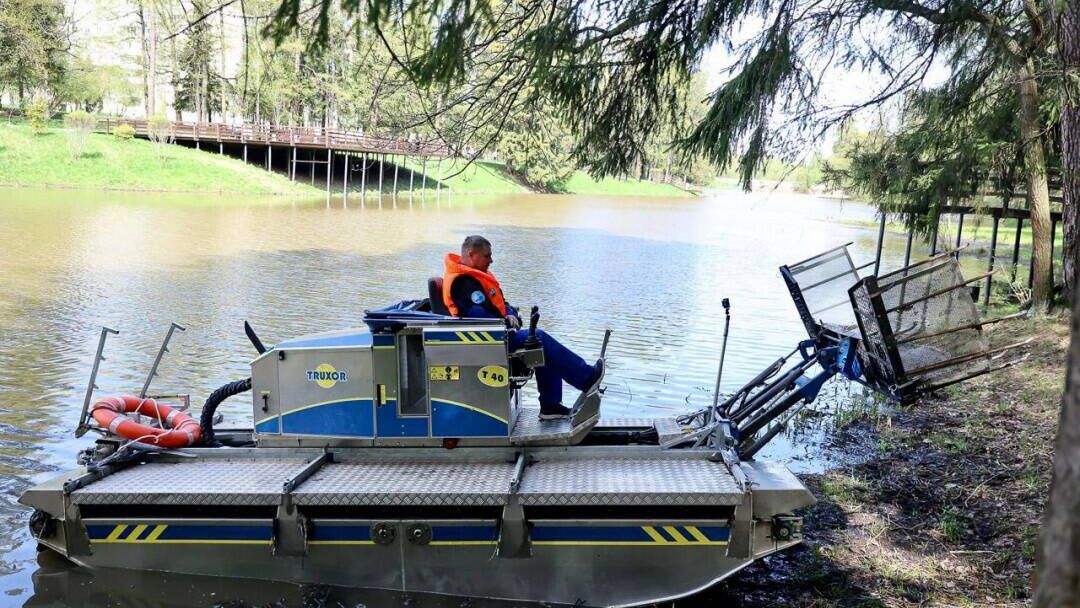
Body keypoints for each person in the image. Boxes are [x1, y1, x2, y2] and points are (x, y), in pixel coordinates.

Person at [442, 235, 604, 420]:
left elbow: (500, 303)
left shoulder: (475, 275)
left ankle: (550, 407)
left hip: (497, 333)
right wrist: (505, 321)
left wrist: (510, 313)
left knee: (538, 343)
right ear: (472, 254)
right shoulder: (463, 283)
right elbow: (479, 316)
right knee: (540, 338)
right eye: (487, 256)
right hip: (487, 339)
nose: (491, 260)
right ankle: (587, 378)